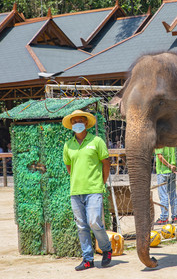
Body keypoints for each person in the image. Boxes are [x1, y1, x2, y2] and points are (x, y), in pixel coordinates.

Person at [62, 110, 112, 271]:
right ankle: (87, 259)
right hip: (76, 190)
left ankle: (106, 249)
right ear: (71, 125)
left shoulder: (97, 141)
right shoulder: (68, 145)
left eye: (80, 120)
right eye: (74, 121)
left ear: (86, 123)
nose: (77, 123)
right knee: (82, 226)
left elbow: (106, 163)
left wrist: (101, 183)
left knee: (94, 221)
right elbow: (69, 167)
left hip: (94, 189)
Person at [155, 147, 177, 224]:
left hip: (162, 172)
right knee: (173, 195)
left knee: (163, 195)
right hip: (172, 172)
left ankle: (164, 218)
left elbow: (160, 157)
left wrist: (169, 166)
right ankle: (175, 216)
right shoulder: (172, 143)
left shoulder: (160, 143)